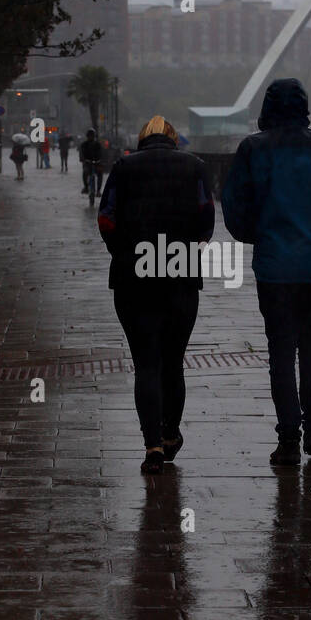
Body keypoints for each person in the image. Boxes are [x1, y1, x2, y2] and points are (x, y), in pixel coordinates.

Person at [222, 77, 311, 466]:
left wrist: (257, 235)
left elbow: (233, 204)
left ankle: (288, 439)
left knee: (281, 350)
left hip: (274, 266)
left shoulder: (252, 149)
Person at [98, 115, 214, 474]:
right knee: (173, 361)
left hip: (134, 278)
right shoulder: (195, 166)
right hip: (180, 275)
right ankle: (169, 433)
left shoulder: (123, 166)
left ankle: (151, 447)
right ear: (174, 139)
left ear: (142, 139)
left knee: (146, 364)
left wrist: (123, 252)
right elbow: (206, 217)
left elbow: (106, 218)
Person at [79, 127, 103, 196]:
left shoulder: (98, 145)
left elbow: (101, 154)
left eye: (92, 136)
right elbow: (81, 154)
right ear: (87, 136)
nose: (91, 137)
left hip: (97, 163)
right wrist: (82, 160)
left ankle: (98, 190)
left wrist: (100, 160)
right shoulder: (84, 145)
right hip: (87, 163)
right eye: (89, 136)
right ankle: (86, 187)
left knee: (100, 174)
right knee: (85, 172)